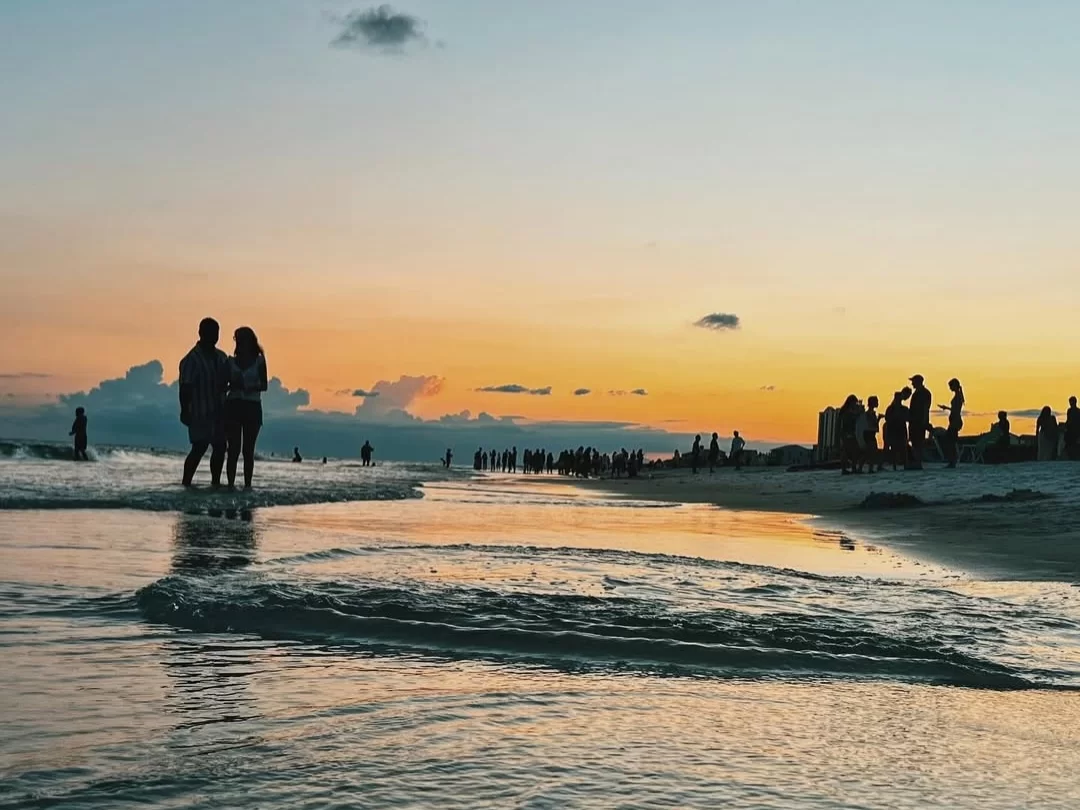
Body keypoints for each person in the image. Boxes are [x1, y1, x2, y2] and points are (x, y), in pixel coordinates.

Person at [179, 317, 230, 487]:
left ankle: (215, 483)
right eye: (209, 333)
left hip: (220, 412)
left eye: (216, 333)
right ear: (200, 333)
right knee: (199, 448)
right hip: (199, 411)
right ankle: (186, 483)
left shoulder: (222, 358)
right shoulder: (191, 360)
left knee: (220, 447)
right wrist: (185, 410)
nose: (213, 336)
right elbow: (185, 387)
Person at [224, 326, 268, 490]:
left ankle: (248, 486)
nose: (239, 343)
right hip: (234, 405)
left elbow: (264, 385)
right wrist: (233, 384)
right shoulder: (231, 362)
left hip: (252, 406)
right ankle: (230, 485)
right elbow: (223, 384)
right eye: (237, 339)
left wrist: (250, 385)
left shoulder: (259, 361)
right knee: (233, 450)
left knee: (248, 451)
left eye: (242, 339)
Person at [938, 378, 965, 469]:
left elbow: (956, 410)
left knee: (950, 441)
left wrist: (946, 408)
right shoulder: (958, 396)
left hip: (955, 421)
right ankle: (952, 460)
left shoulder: (958, 396)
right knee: (950, 440)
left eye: (950, 386)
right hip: (955, 420)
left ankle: (952, 460)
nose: (950, 388)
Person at [907, 375, 932, 470]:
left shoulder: (925, 393)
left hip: (919, 422)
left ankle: (918, 463)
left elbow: (926, 408)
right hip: (914, 422)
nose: (912, 383)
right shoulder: (917, 393)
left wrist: (924, 421)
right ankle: (916, 462)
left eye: (913, 381)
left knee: (918, 443)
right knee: (914, 442)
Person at [883, 389, 911, 471]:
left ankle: (905, 465)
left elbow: (908, 418)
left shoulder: (904, 409)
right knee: (894, 449)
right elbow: (887, 419)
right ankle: (895, 466)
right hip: (893, 431)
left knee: (903, 449)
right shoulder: (891, 408)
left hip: (901, 430)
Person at [838, 395, 860, 474]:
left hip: (848, 433)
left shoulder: (846, 411)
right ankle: (848, 468)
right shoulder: (846, 412)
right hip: (847, 433)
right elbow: (848, 421)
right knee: (850, 451)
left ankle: (850, 468)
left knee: (851, 451)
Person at [862, 395, 882, 472]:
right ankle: (869, 468)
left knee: (870, 452)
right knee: (870, 452)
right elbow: (872, 424)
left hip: (870, 434)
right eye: (876, 401)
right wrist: (879, 419)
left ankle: (869, 468)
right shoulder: (869, 414)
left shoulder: (871, 413)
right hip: (869, 434)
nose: (878, 403)